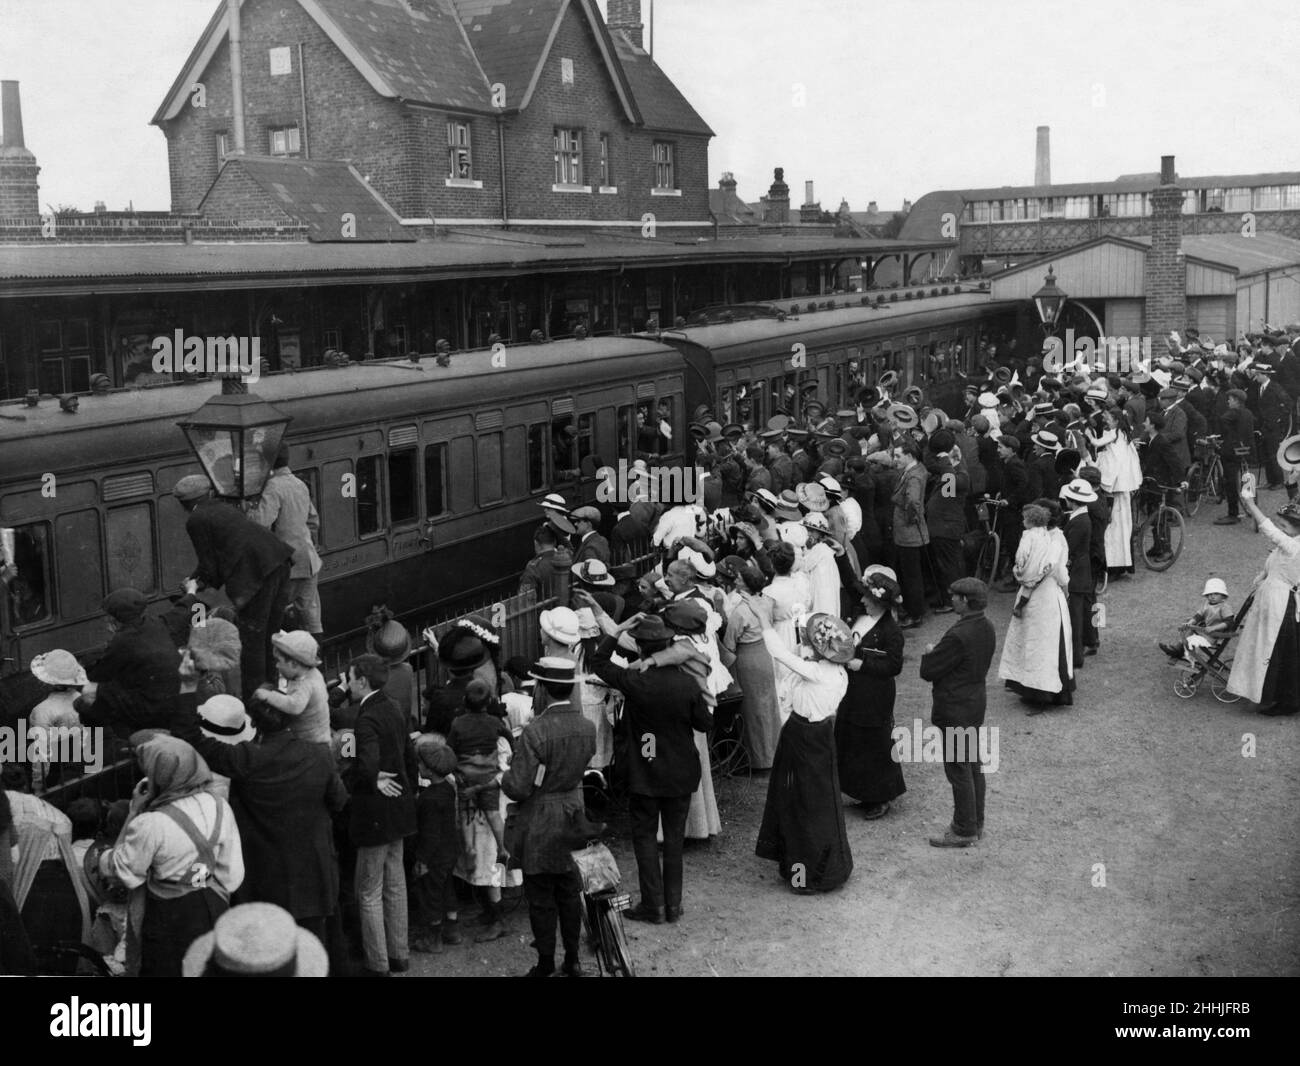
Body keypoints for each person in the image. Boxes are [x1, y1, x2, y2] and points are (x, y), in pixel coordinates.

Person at [171, 671, 349, 976]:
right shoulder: (319, 755)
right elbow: (340, 802)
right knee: (311, 955)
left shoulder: (246, 759)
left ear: (254, 723)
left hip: (264, 880)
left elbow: (192, 736)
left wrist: (188, 687)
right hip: (313, 875)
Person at [587, 615, 712, 924]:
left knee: (644, 837)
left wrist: (616, 632)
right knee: (673, 840)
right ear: (669, 645)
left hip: (645, 772)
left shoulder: (636, 681)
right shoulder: (687, 682)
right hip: (681, 771)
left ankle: (652, 905)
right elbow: (704, 723)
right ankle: (673, 904)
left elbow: (599, 662)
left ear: (641, 649)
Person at [97, 735, 244, 977]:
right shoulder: (219, 805)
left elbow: (122, 872)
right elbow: (231, 875)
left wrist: (134, 810)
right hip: (211, 904)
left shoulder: (150, 823)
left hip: (167, 915)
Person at [501, 658, 597, 977]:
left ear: (541, 688)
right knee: (570, 891)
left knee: (540, 895)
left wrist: (504, 775)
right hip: (574, 812)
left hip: (541, 818)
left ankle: (544, 962)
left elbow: (517, 787)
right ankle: (573, 959)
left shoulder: (535, 731)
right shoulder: (586, 727)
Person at [755, 613, 853, 894]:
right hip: (820, 736)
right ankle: (824, 866)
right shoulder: (839, 674)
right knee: (819, 801)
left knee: (801, 803)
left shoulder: (815, 672)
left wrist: (764, 624)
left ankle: (804, 873)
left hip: (802, 737)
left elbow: (780, 654)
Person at [173, 475, 294, 699]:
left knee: (253, 641)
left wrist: (194, 584)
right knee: (270, 635)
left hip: (256, 575)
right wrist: (198, 578)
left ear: (183, 504)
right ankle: (272, 695)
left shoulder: (196, 520)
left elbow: (209, 564)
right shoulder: (222, 507)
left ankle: (255, 702)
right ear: (208, 493)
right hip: (278, 561)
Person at [345, 654, 417, 975]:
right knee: (396, 883)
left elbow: (367, 762)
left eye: (349, 678)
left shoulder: (366, 718)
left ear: (362, 681)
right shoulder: (394, 706)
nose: (345, 684)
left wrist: (370, 776)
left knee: (369, 890)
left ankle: (378, 964)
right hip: (400, 805)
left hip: (375, 811)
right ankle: (399, 955)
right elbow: (408, 756)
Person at [920, 579, 997, 847]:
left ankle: (964, 829)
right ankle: (976, 821)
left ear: (965, 601)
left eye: (954, 596)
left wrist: (930, 653)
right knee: (973, 765)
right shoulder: (986, 626)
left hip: (954, 708)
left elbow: (928, 672)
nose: (950, 599)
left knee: (958, 770)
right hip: (974, 704)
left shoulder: (957, 635)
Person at [1227, 477, 1300, 715]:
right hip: (1272, 600)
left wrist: (1249, 502)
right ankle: (1269, 695)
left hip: (1281, 604)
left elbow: (1268, 529)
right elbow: (1274, 563)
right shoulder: (1289, 545)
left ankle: (1282, 701)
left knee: (1275, 651)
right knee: (1269, 648)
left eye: (1285, 527)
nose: (1281, 530)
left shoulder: (1295, 546)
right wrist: (1263, 575)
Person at [836, 571, 906, 819]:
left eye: (868, 598)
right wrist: (842, 554)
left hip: (875, 694)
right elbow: (853, 585)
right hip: (854, 690)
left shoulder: (891, 631)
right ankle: (863, 792)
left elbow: (894, 666)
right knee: (854, 739)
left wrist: (862, 666)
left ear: (879, 603)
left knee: (876, 743)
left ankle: (882, 796)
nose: (863, 601)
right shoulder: (861, 616)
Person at [998, 502, 1074, 710]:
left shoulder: (1038, 538)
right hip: (1048, 594)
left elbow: (1023, 566)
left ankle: (1036, 691)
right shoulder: (1053, 538)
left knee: (1035, 642)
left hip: (1033, 595)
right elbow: (1059, 572)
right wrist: (1065, 590)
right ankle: (1040, 691)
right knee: (1044, 643)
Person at [77, 589, 180, 737]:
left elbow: (99, 676)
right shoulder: (155, 624)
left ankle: (113, 742)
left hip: (152, 708)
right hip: (174, 700)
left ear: (114, 619)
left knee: (89, 693)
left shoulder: (122, 640)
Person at [247, 443, 323, 635]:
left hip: (287, 565)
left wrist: (248, 507)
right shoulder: (300, 484)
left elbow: (261, 522)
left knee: (274, 616)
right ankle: (314, 660)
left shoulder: (272, 487)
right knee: (311, 619)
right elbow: (313, 521)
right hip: (309, 562)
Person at [719, 562, 782, 771]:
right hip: (764, 654)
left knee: (752, 709)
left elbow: (730, 643)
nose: (734, 580)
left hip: (747, 660)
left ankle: (758, 759)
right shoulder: (765, 602)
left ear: (745, 584)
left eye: (738, 578)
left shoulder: (741, 611)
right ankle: (773, 752)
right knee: (768, 705)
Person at [447, 679, 513, 863]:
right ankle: (502, 848)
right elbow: (508, 736)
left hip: (465, 776)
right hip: (488, 776)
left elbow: (449, 748)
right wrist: (513, 752)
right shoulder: (494, 722)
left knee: (465, 811)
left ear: (464, 701)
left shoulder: (457, 723)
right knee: (493, 813)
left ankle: (469, 848)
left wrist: (454, 769)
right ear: (489, 702)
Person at [409, 735, 463, 955]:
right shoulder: (448, 789)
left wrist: (421, 861)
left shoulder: (427, 799)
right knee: (447, 888)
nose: (418, 766)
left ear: (430, 770)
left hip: (434, 855)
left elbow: (429, 835)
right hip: (450, 851)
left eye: (420, 763)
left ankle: (433, 938)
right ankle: (452, 930)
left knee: (431, 894)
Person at [250, 631, 330, 745]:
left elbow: (294, 706)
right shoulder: (309, 673)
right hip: (309, 734)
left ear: (294, 664)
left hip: (312, 742)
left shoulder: (306, 684)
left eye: (279, 661)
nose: (276, 665)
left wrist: (268, 696)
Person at [891, 439, 930, 628]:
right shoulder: (917, 470)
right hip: (910, 533)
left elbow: (913, 502)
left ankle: (915, 614)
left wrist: (908, 519)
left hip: (909, 534)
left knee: (911, 576)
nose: (894, 459)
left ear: (909, 455)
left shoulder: (913, 476)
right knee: (912, 574)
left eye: (898, 456)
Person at [1060, 479, 1097, 666]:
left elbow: (1070, 547)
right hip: (1085, 568)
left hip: (1078, 571)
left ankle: (1077, 654)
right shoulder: (1081, 517)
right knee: (1088, 607)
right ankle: (1092, 641)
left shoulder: (1079, 521)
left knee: (1077, 613)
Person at [1158, 577, 1234, 664]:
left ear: (1223, 595)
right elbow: (1199, 616)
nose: (1212, 596)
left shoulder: (1224, 607)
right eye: (1209, 594)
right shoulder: (1206, 604)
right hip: (1205, 630)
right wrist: (1190, 623)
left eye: (1216, 594)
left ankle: (1179, 651)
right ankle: (1178, 649)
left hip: (1214, 635)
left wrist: (1214, 628)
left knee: (1192, 636)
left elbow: (1229, 622)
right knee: (1188, 629)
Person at [1214, 390, 1256, 525]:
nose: (1228, 401)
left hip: (1232, 452)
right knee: (1245, 477)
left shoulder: (1233, 413)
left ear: (1237, 401)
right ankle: (1251, 507)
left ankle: (1233, 514)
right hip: (1246, 451)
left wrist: (1225, 435)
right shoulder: (1248, 413)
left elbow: (1222, 421)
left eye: (1230, 399)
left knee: (1230, 482)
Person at [518, 524, 573, 600]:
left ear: (536, 543)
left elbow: (524, 599)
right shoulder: (568, 557)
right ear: (554, 542)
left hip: (544, 610)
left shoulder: (533, 568)